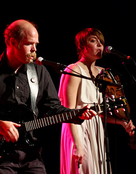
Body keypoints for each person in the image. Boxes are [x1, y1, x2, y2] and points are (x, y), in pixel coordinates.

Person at [0, 20, 96, 174]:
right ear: (13, 42)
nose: (35, 49)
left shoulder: (39, 72)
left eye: (36, 44)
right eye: (29, 44)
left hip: (31, 155)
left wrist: (78, 114)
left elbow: (53, 109)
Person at [58, 28, 135, 174]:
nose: (100, 45)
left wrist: (122, 122)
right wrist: (77, 145)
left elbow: (100, 112)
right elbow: (67, 112)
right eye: (93, 41)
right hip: (77, 128)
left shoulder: (102, 73)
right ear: (82, 47)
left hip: (97, 130)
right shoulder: (73, 70)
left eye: (101, 42)